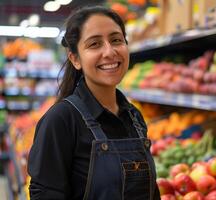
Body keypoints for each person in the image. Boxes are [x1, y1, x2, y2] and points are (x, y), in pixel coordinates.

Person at [27, 5, 161, 200]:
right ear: (75, 59)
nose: (109, 52)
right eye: (95, 44)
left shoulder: (134, 117)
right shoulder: (61, 121)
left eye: (116, 40)